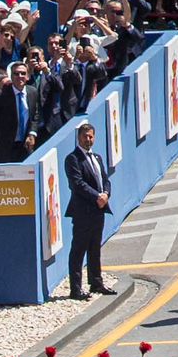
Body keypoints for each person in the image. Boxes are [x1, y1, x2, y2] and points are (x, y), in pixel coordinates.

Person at [64, 121, 111, 300]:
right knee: (79, 249)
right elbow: (77, 184)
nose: (88, 140)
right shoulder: (73, 159)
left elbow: (105, 179)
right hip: (83, 211)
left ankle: (96, 282)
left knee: (95, 247)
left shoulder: (97, 157)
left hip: (98, 210)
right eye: (85, 137)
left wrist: (106, 193)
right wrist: (97, 197)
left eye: (91, 136)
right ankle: (75, 289)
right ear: (79, 138)